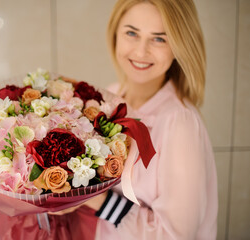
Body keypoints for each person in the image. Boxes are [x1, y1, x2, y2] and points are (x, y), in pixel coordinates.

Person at [81, 0, 218, 239]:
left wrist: (97, 201)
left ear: (179, 45)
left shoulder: (179, 122)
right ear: (115, 34)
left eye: (159, 38)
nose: (141, 52)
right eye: (132, 33)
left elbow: (174, 234)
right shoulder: (110, 98)